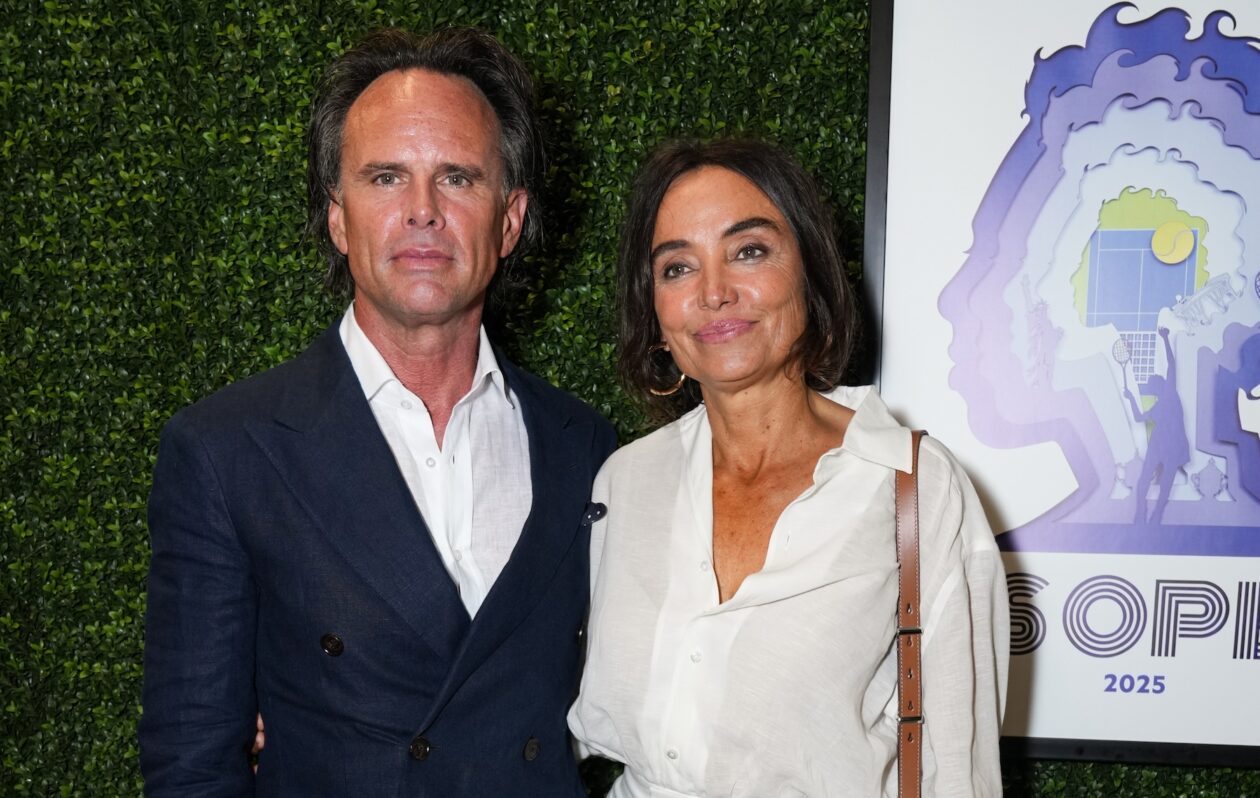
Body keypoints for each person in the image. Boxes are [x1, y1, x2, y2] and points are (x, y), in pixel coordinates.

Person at [140, 28, 615, 796]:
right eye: (387, 177)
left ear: (509, 220)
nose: (423, 210)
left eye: (457, 177)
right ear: (338, 217)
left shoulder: (584, 448)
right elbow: (191, 767)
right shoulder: (227, 451)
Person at [568, 139, 1008, 797]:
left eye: (748, 251)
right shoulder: (625, 482)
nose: (714, 293)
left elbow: (957, 766)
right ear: (655, 314)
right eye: (677, 268)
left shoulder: (912, 488)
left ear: (811, 275)